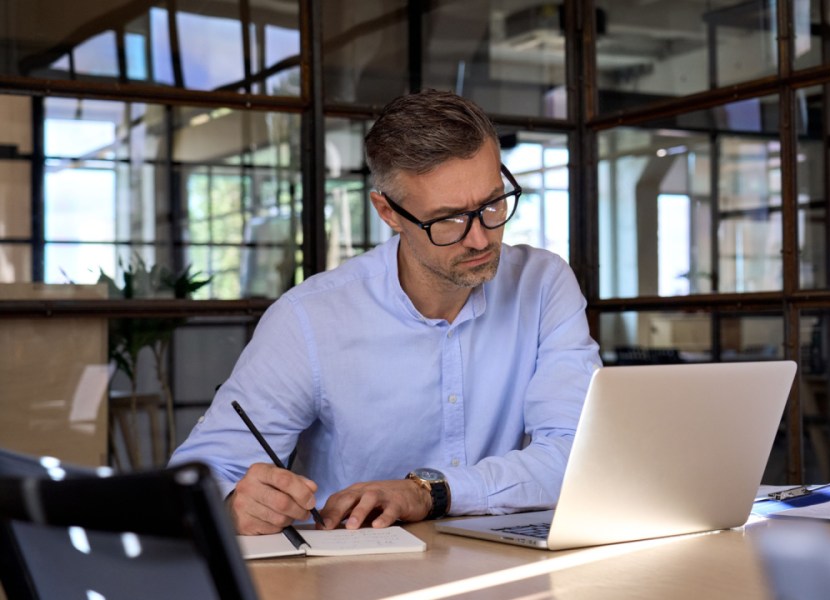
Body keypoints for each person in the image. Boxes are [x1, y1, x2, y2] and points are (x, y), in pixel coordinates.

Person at [169, 89, 601, 535]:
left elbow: (578, 454)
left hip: (507, 568)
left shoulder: (543, 283)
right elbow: (196, 476)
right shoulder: (310, 319)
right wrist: (231, 502)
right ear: (388, 212)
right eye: (449, 219)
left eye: (492, 203)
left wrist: (429, 492)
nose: (480, 238)